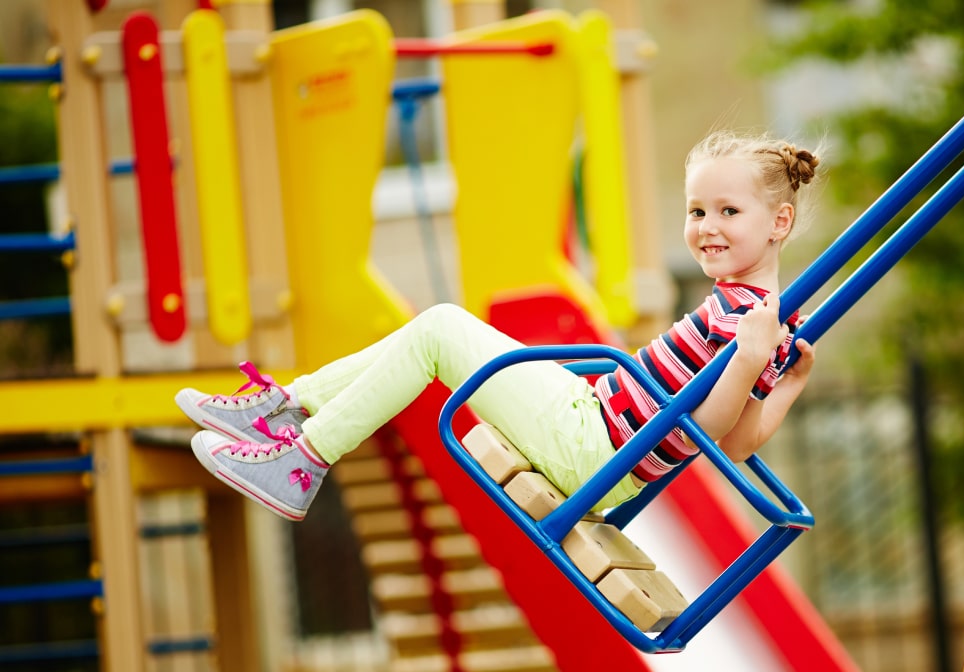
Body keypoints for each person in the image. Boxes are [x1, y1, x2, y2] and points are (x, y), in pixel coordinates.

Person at [176, 128, 820, 522]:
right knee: (437, 329)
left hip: (596, 445)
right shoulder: (762, 318)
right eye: (697, 211)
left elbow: (712, 434)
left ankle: (301, 458)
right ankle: (287, 410)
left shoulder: (751, 323)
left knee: (438, 330)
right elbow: (741, 442)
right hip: (591, 414)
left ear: (779, 222)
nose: (706, 227)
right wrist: (787, 383)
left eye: (728, 211)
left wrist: (751, 362)